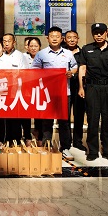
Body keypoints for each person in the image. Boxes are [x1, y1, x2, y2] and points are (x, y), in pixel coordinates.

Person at [78, 23, 108, 163]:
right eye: (95, 33)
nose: (98, 35)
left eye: (101, 32)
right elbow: (82, 69)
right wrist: (81, 87)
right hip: (92, 87)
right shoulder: (87, 49)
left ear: (106, 34)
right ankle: (92, 151)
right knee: (92, 119)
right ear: (93, 34)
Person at [32, 26, 78, 160]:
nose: (54, 39)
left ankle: (66, 148)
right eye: (52, 36)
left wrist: (71, 73)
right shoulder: (41, 54)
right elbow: (34, 70)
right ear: (47, 38)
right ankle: (47, 147)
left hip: (64, 92)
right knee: (47, 121)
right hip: (47, 93)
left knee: (64, 121)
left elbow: (75, 66)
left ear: (61, 38)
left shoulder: (68, 53)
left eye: (57, 36)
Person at [0, 33, 30, 144]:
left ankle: (16, 140)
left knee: (15, 117)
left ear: (14, 42)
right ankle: (6, 140)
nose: (6, 43)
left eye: (9, 41)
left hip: (16, 90)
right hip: (2, 90)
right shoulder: (0, 55)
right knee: (4, 117)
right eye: (4, 41)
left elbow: (25, 72)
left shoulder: (20, 56)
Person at [63, 30, 86, 153]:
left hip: (79, 87)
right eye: (69, 37)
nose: (72, 40)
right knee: (65, 116)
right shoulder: (61, 52)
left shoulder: (83, 53)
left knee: (79, 115)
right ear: (64, 39)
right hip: (64, 87)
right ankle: (66, 142)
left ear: (78, 39)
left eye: (74, 37)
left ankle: (78, 141)